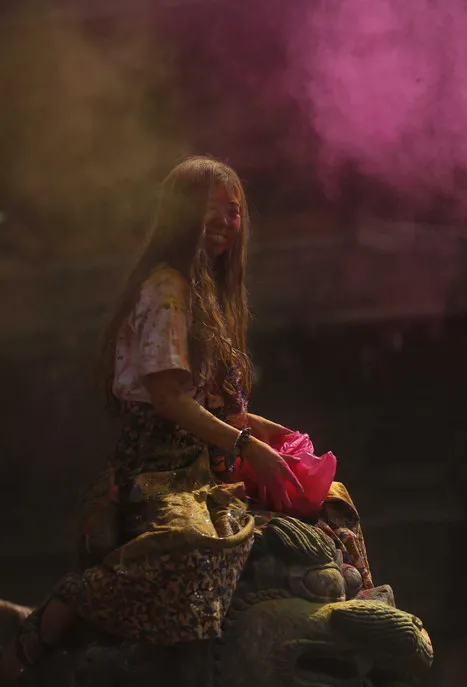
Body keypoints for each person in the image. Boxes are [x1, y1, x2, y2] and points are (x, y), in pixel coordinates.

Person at [0, 155, 305, 682]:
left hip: (211, 465)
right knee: (196, 557)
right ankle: (64, 609)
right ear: (180, 215)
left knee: (328, 512)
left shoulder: (214, 292)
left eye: (233, 212)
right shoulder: (168, 288)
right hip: (160, 470)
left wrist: (265, 432)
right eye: (211, 210)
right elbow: (168, 398)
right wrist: (245, 444)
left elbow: (216, 405)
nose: (225, 221)